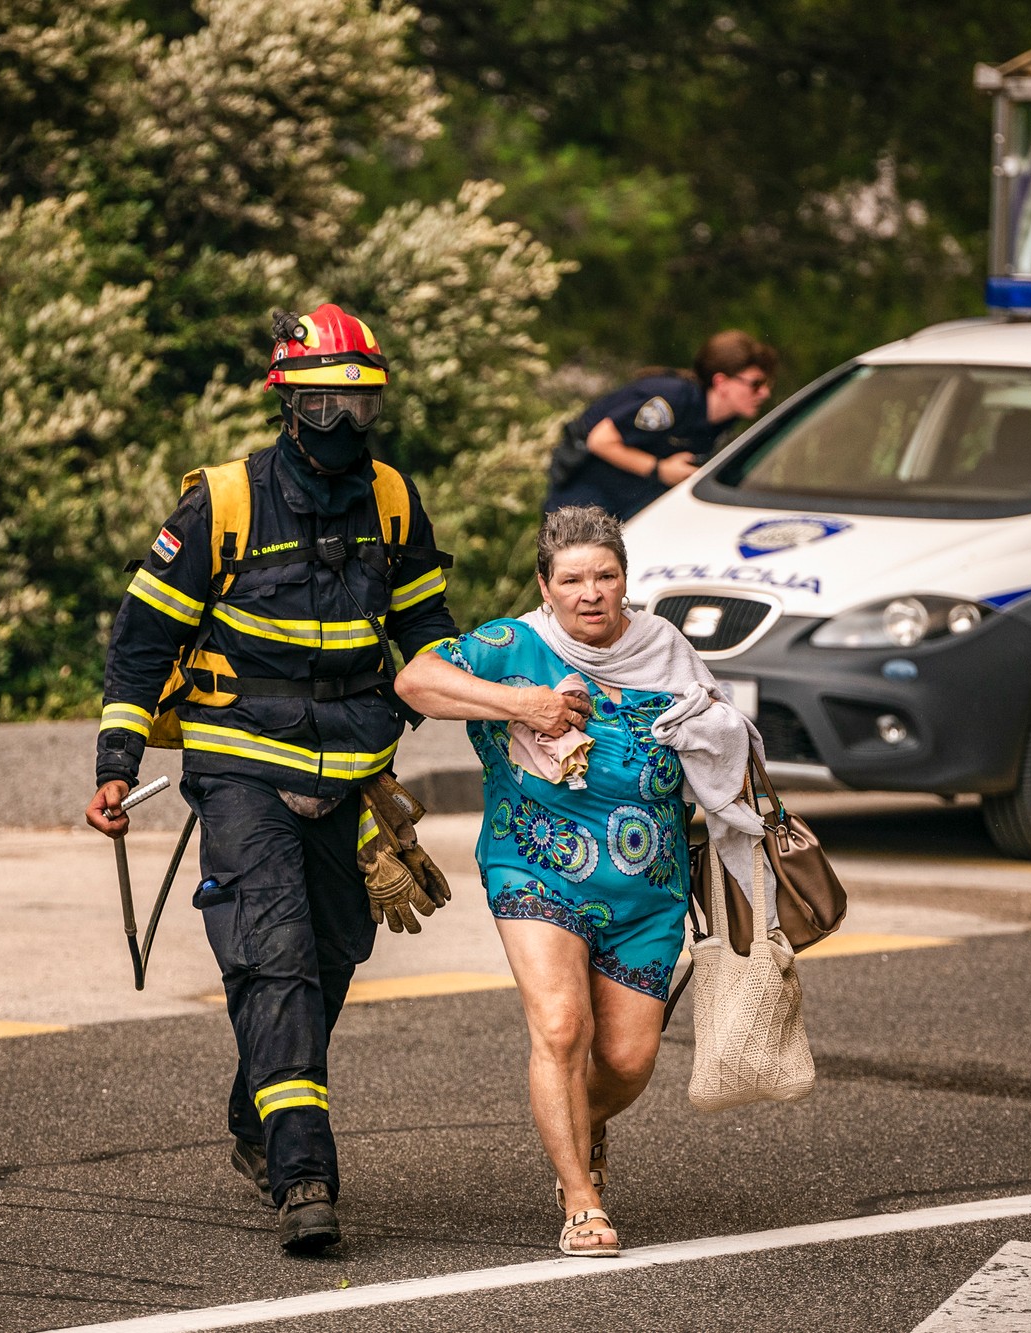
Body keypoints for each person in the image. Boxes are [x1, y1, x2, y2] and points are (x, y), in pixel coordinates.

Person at [84, 304, 459, 1254]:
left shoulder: (393, 500)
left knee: (336, 955)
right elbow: (142, 637)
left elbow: (426, 630)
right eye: (323, 402)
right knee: (274, 958)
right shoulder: (225, 500)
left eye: (360, 404)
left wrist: (486, 708)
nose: (342, 422)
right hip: (242, 758)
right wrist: (117, 764)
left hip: (352, 764)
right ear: (287, 402)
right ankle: (304, 1175)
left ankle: (260, 1111)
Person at [394, 505, 764, 1257]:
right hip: (536, 867)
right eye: (572, 579)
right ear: (545, 584)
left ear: (625, 580)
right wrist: (522, 703)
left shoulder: (664, 649)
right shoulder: (512, 645)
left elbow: (723, 744)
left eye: (606, 575)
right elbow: (417, 680)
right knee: (561, 1028)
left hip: (648, 889)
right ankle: (580, 1196)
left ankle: (575, 1121)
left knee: (628, 1061)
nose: (591, 592)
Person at [543, 330, 779, 520]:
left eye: (767, 383)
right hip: (583, 500)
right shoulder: (671, 400)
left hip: (629, 506)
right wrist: (660, 470)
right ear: (721, 382)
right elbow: (600, 441)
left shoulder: (724, 420)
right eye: (756, 384)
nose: (765, 392)